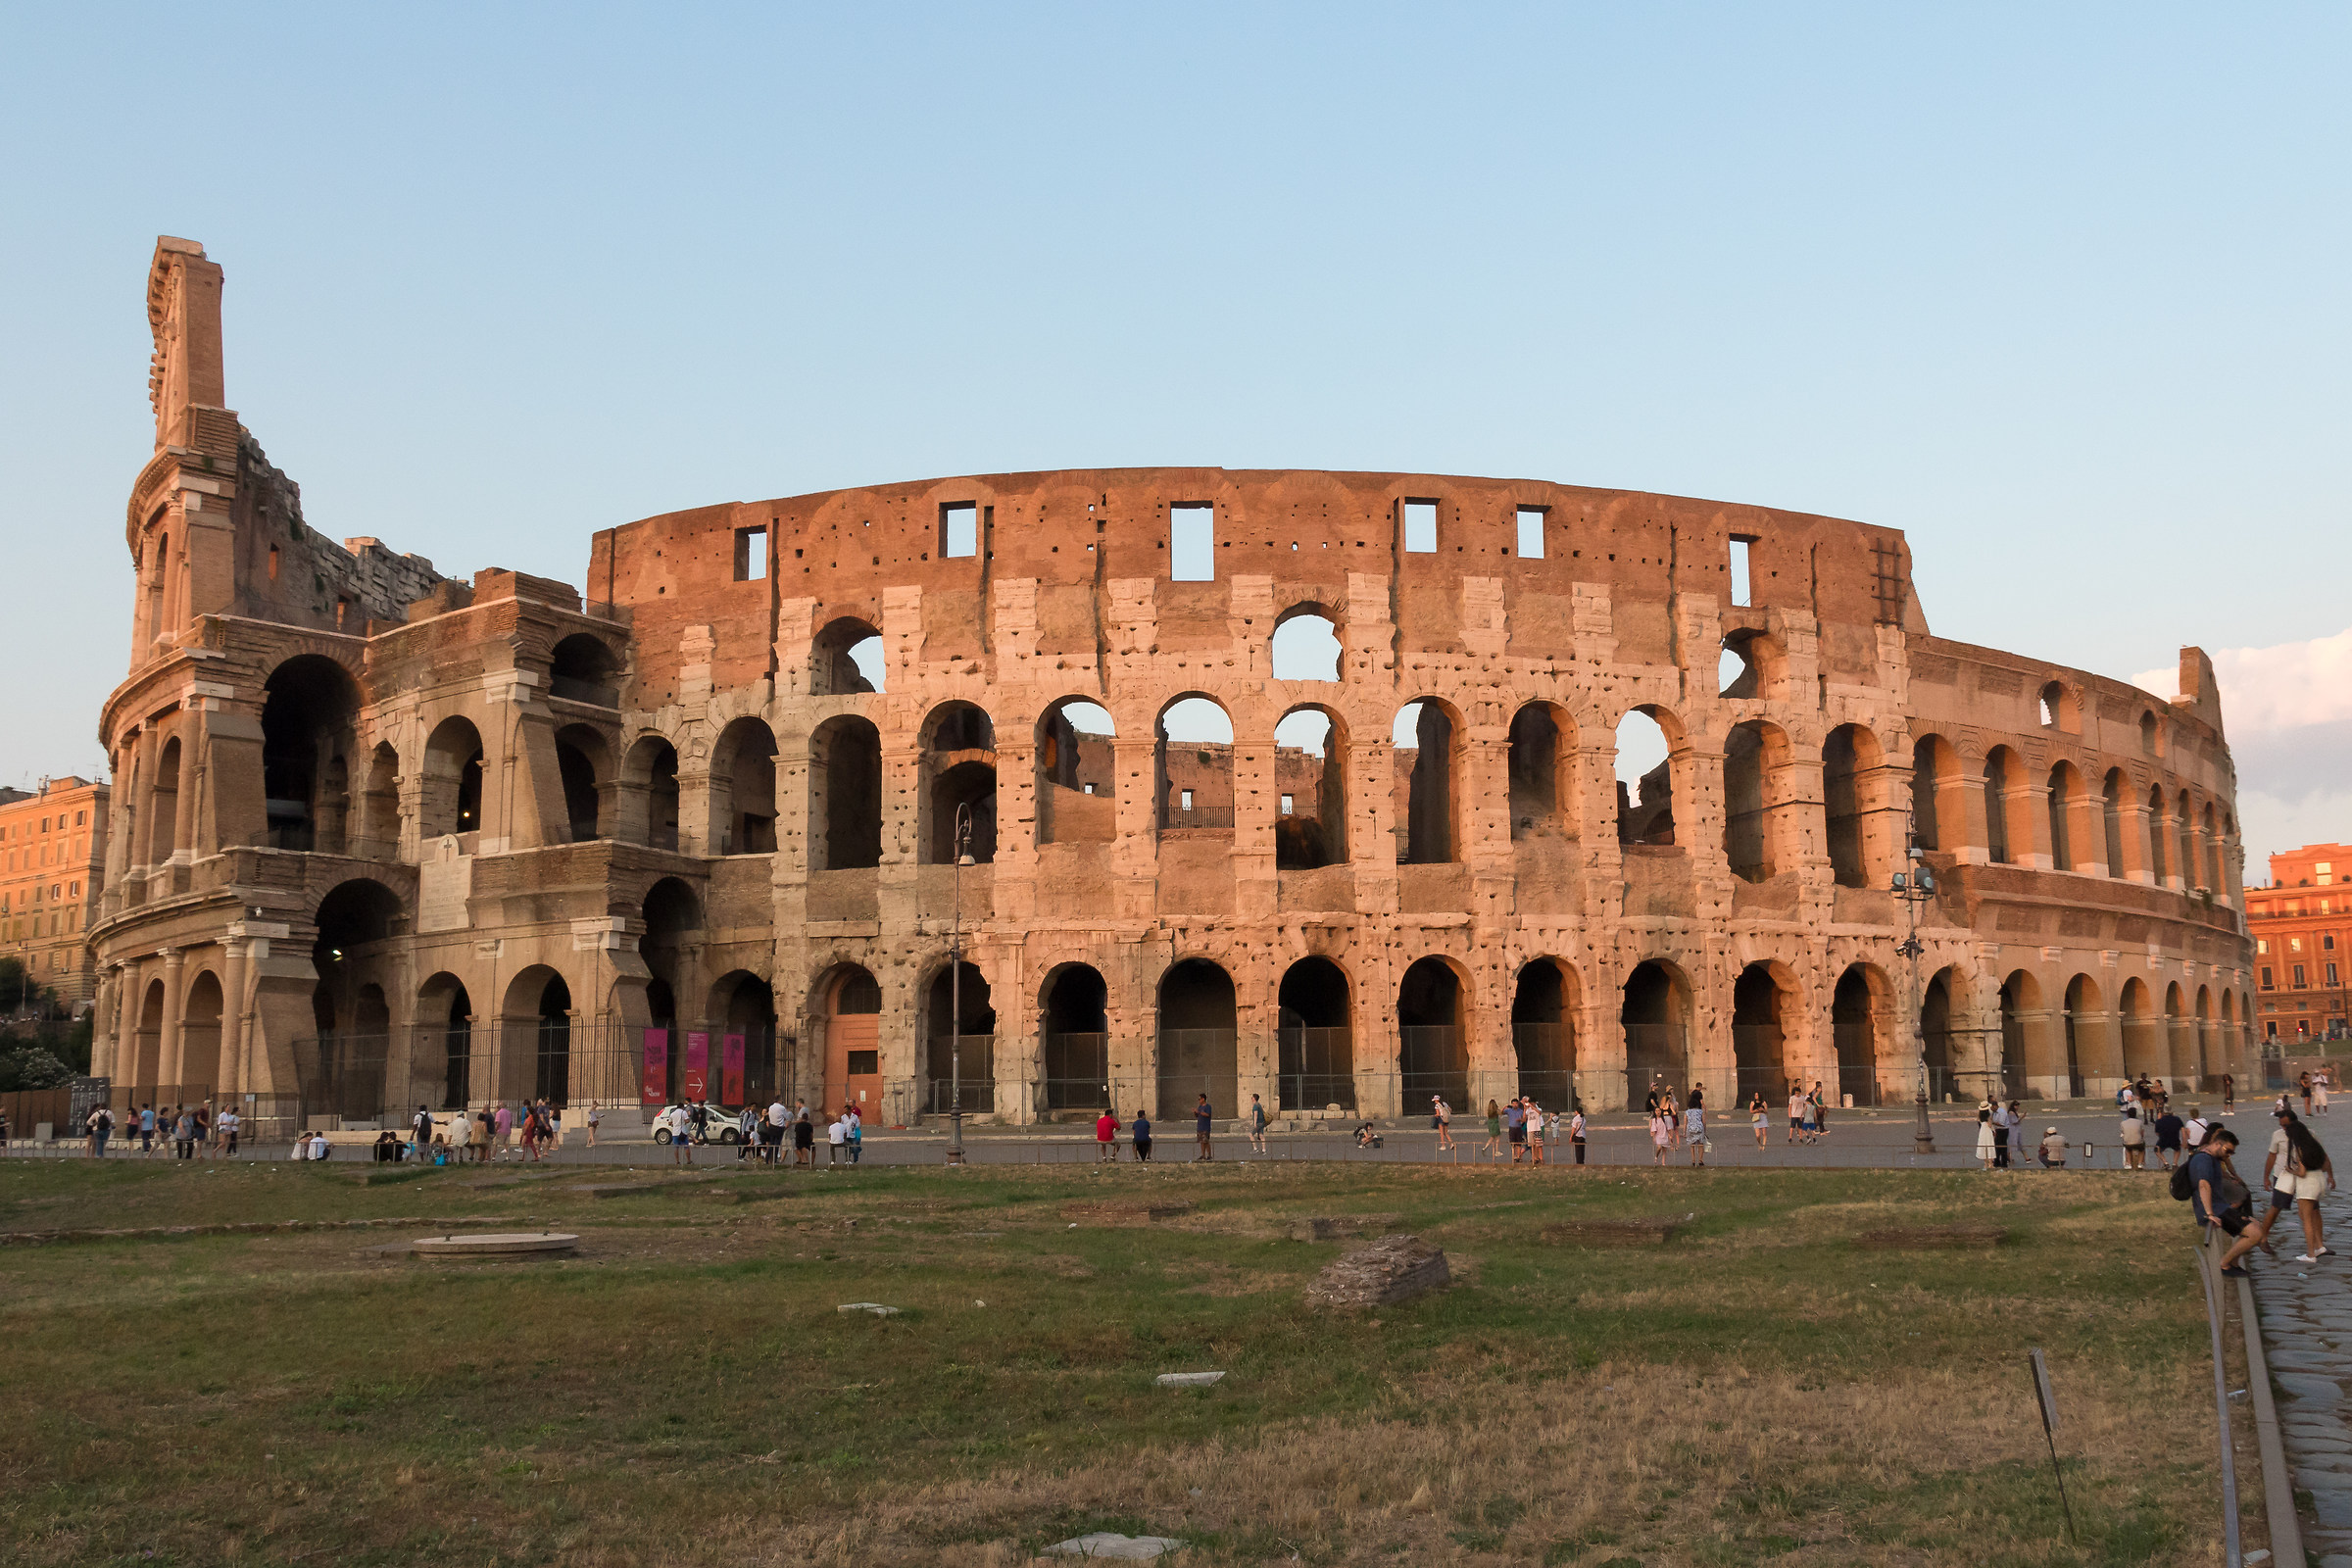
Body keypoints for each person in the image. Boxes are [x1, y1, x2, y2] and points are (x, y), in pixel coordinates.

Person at [2187, 1127, 2250, 1274]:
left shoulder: (2213, 1158)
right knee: (2254, 1233)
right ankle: (2225, 1265)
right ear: (2217, 1144)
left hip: (2221, 1207)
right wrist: (2209, 1214)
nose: (2229, 1155)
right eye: (2228, 1151)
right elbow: (2203, 1185)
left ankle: (2233, 1264)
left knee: (2256, 1228)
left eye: (2232, 1153)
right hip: (2216, 1210)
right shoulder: (2203, 1159)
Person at [2153, 1105, 2185, 1170]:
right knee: (2177, 1149)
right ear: (2172, 1112)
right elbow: (2183, 1130)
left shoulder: (2159, 1121)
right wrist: (2184, 1141)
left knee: (2157, 1150)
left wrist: (2158, 1120)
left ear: (2163, 1112)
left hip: (2163, 1140)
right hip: (2175, 1139)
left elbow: (2157, 1133)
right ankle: (2175, 1163)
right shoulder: (2177, 1119)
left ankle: (2165, 1162)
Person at [2118, 1106, 2145, 1170]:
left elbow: (2123, 1133)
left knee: (2127, 1149)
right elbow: (2142, 1133)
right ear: (2136, 1114)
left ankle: (2129, 1164)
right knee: (2142, 1150)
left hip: (2127, 1143)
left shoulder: (2123, 1123)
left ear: (2127, 1114)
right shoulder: (2140, 1122)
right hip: (2138, 1142)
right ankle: (2140, 1163)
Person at [1685, 1089, 1705, 1166]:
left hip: (1690, 1128)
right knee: (1701, 1144)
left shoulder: (1687, 1111)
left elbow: (1685, 1122)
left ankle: (1693, 1160)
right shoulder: (1700, 1111)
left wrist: (1684, 1132)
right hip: (1699, 1127)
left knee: (1692, 1145)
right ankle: (1700, 1160)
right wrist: (1705, 1130)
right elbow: (1704, 1121)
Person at [1506, 1099, 1528, 1164]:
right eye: (1513, 1104)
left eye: (1516, 1104)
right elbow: (1501, 1112)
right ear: (1512, 1104)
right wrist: (1505, 1107)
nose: (1515, 1105)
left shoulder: (1521, 1111)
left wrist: (1520, 1120)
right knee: (1513, 1143)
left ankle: (1518, 1156)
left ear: (1518, 1104)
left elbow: (1524, 1119)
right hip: (1512, 1128)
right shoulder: (1509, 1111)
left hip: (1519, 1128)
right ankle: (1514, 1156)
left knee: (1518, 1143)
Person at [1525, 1101, 1546, 1166]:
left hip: (1537, 1129)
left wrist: (1532, 1106)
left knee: (1539, 1145)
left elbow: (1539, 1112)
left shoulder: (1538, 1109)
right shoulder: (1528, 1110)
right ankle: (1535, 1158)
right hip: (1530, 1129)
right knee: (1532, 1145)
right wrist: (1525, 1107)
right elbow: (1525, 1115)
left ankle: (1541, 1158)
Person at [1194, 1094, 1214, 1161]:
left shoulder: (1208, 1107)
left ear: (1203, 1099)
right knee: (1201, 1142)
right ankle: (1203, 1155)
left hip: (1205, 1127)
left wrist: (1199, 1112)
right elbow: (1197, 1115)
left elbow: (1207, 1114)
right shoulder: (1200, 1107)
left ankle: (1209, 1155)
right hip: (1200, 1127)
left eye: (1199, 1099)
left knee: (1206, 1141)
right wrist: (1195, 1112)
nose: (1199, 1100)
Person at [1977, 1103, 1996, 1171]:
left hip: (1982, 1132)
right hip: (1988, 1132)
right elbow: (1990, 1125)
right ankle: (1991, 1163)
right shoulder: (1989, 1116)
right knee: (1989, 1145)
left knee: (1983, 1145)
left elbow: (1978, 1122)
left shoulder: (1980, 1116)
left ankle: (1985, 1163)